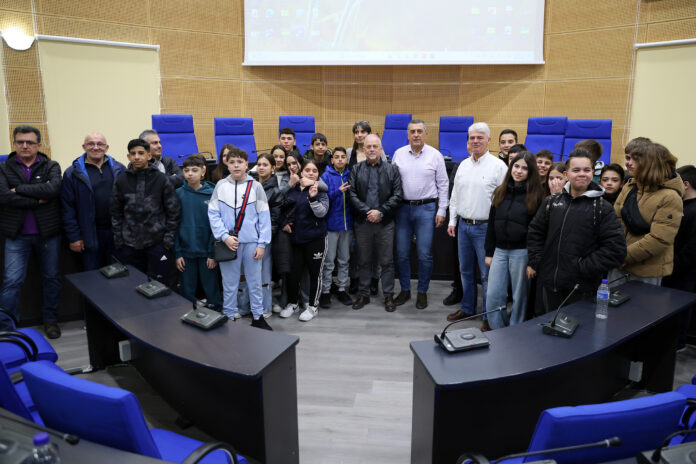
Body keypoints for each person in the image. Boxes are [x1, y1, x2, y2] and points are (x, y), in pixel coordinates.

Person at [527, 149, 626, 313]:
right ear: (566, 174)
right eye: (576, 170)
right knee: (545, 326)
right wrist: (540, 262)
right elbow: (535, 233)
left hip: (581, 289)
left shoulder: (602, 208)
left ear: (592, 173)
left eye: (586, 170)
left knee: (578, 328)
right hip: (548, 285)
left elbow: (616, 250)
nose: (582, 174)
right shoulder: (551, 202)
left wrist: (581, 268)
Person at [0, 126, 62, 338]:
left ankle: (50, 320)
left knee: (52, 278)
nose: (24, 146)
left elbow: (53, 190)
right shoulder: (3, 168)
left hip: (48, 234)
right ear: (14, 144)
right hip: (16, 235)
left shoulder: (51, 165)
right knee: (12, 282)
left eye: (29, 142)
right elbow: (4, 196)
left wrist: (19, 189)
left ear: (38, 145)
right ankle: (7, 327)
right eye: (20, 142)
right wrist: (37, 200)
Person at [446, 122, 507, 329]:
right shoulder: (463, 165)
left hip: (486, 229)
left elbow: (503, 201)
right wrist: (452, 220)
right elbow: (455, 196)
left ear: (489, 140)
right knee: (465, 271)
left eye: (479, 137)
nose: (475, 141)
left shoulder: (499, 167)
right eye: (472, 138)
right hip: (463, 227)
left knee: (487, 275)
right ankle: (468, 308)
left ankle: (489, 317)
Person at [208, 147, 272, 330]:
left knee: (255, 282)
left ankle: (258, 316)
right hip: (228, 244)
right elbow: (213, 214)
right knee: (229, 284)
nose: (236, 165)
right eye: (232, 162)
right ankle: (229, 317)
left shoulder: (256, 187)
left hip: (252, 243)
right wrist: (224, 236)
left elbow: (264, 217)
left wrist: (262, 244)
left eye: (240, 162)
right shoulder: (220, 186)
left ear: (246, 165)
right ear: (227, 165)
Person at [391, 119, 449, 309]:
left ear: (425, 134)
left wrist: (442, 210)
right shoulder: (398, 154)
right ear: (407, 135)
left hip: (426, 209)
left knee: (424, 254)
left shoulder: (435, 155)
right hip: (402, 209)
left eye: (419, 131)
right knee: (401, 253)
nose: (416, 135)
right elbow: (392, 183)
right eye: (412, 131)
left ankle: (422, 292)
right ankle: (405, 290)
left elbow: (443, 184)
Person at [484, 152, 545, 329]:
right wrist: (489, 252)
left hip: (522, 252)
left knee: (520, 297)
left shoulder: (537, 195)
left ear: (530, 172)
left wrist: (533, 261)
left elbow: (538, 232)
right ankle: (498, 331)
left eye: (524, 168)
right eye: (516, 166)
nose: (519, 171)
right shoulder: (500, 191)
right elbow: (491, 224)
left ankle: (516, 331)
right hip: (499, 250)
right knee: (493, 295)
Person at [611, 142, 683, 286]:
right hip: (617, 263)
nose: (628, 163)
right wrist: (612, 251)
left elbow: (659, 239)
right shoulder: (629, 187)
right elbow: (614, 221)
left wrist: (624, 257)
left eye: (635, 159)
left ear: (651, 163)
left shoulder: (670, 197)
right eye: (628, 158)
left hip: (646, 271)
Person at [111, 139, 181, 282]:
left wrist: (168, 241)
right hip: (129, 245)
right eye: (133, 154)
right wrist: (119, 240)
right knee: (132, 283)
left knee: (160, 285)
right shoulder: (121, 180)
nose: (136, 157)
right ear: (128, 157)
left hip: (157, 244)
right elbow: (115, 212)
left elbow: (173, 211)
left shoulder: (161, 180)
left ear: (149, 156)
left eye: (141, 153)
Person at [349, 135, 403, 312]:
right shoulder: (356, 169)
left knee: (387, 261)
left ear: (381, 149)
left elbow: (397, 195)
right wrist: (368, 211)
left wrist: (380, 211)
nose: (372, 149)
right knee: (363, 260)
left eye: (375, 146)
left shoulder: (392, 170)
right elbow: (352, 194)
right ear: (364, 150)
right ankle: (363, 294)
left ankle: (388, 295)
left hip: (385, 222)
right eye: (368, 147)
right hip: (363, 222)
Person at [61, 132, 125, 270]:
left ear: (106, 147)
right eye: (91, 144)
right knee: (92, 276)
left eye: (100, 144)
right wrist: (74, 237)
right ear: (84, 147)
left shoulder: (120, 169)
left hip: (116, 234)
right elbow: (67, 208)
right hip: (89, 234)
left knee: (118, 276)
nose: (95, 147)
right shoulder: (72, 173)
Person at [279, 159, 329, 322]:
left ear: (318, 174)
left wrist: (313, 199)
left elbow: (322, 213)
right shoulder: (292, 189)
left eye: (314, 171)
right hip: (295, 239)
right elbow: (281, 209)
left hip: (316, 239)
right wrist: (284, 223)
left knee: (315, 274)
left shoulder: (321, 191)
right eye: (308, 170)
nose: (311, 173)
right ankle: (293, 303)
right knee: (293, 274)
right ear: (302, 172)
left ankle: (313, 307)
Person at [174, 154, 221, 310]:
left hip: (207, 253)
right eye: (186, 170)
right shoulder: (178, 194)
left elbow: (217, 226)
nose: (190, 174)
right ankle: (188, 315)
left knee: (211, 288)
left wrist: (212, 253)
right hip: (186, 253)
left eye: (194, 170)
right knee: (187, 290)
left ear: (203, 171)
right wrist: (178, 253)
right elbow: (173, 226)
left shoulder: (213, 193)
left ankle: (216, 312)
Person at [662, 165, 696, 350]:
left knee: (679, 309)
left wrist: (673, 265)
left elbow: (691, 248)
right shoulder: (681, 206)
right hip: (673, 268)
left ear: (686, 184)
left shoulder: (693, 210)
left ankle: (678, 344)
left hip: (683, 272)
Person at [319, 147, 354, 308]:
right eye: (337, 157)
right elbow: (322, 199)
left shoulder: (351, 175)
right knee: (328, 262)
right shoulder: (325, 176)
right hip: (331, 226)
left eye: (343, 157)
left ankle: (341, 289)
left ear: (347, 160)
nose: (340, 159)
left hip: (347, 226)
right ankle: (325, 291)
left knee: (344, 260)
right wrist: (337, 192)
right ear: (332, 160)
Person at [253, 153, 285, 317]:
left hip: (263, 239)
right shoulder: (250, 185)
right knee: (248, 275)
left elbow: (274, 220)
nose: (261, 167)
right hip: (247, 237)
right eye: (259, 164)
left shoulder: (275, 191)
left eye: (265, 165)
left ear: (273, 168)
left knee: (264, 275)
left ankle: (265, 307)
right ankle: (248, 305)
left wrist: (262, 239)